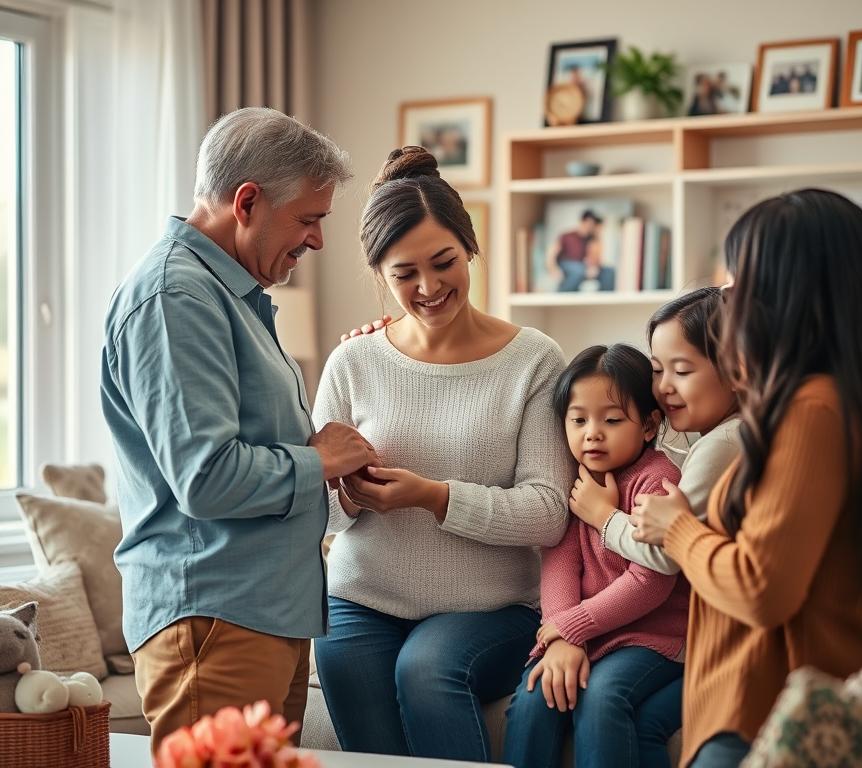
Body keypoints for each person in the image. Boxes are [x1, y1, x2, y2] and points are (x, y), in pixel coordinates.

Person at [630, 188, 862, 766]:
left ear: (785, 293)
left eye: (738, 279)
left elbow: (760, 590)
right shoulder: (855, 402)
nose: (729, 296)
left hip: (763, 709)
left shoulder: (813, 412)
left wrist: (677, 528)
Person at [100, 107, 378, 753]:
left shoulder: (230, 296)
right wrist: (321, 461)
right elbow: (208, 478)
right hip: (216, 616)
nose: (317, 241)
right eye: (308, 218)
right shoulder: (177, 299)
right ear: (247, 201)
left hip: (259, 612)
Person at [311, 146, 573, 762]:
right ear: (381, 275)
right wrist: (346, 495)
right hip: (361, 599)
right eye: (405, 274)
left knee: (425, 669)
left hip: (490, 610)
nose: (428, 288)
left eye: (444, 262)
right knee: (363, 717)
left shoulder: (533, 360)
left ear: (471, 248)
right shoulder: (353, 361)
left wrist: (434, 497)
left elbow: (547, 512)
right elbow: (316, 513)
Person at [568, 288, 741, 758]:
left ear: (738, 370)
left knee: (610, 700)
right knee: (642, 726)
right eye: (658, 370)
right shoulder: (713, 439)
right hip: (704, 638)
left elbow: (665, 549)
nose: (663, 387)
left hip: (712, 643)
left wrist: (604, 516)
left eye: (681, 371)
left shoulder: (723, 446)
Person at [502, 344, 687, 768]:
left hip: (655, 638)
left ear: (648, 425)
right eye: (579, 420)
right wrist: (563, 636)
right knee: (535, 696)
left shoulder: (657, 481)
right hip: (588, 632)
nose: (592, 433)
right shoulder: (575, 479)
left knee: (604, 696)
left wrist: (570, 627)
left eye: (612, 419)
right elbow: (560, 563)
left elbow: (650, 580)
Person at [547, 210, 615, 292]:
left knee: (609, 272)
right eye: (588, 223)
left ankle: (603, 299)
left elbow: (595, 259)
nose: (589, 226)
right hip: (566, 263)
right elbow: (552, 252)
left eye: (592, 224)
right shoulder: (567, 236)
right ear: (582, 222)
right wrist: (552, 268)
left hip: (583, 265)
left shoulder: (592, 239)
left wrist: (593, 267)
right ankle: (563, 295)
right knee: (578, 270)